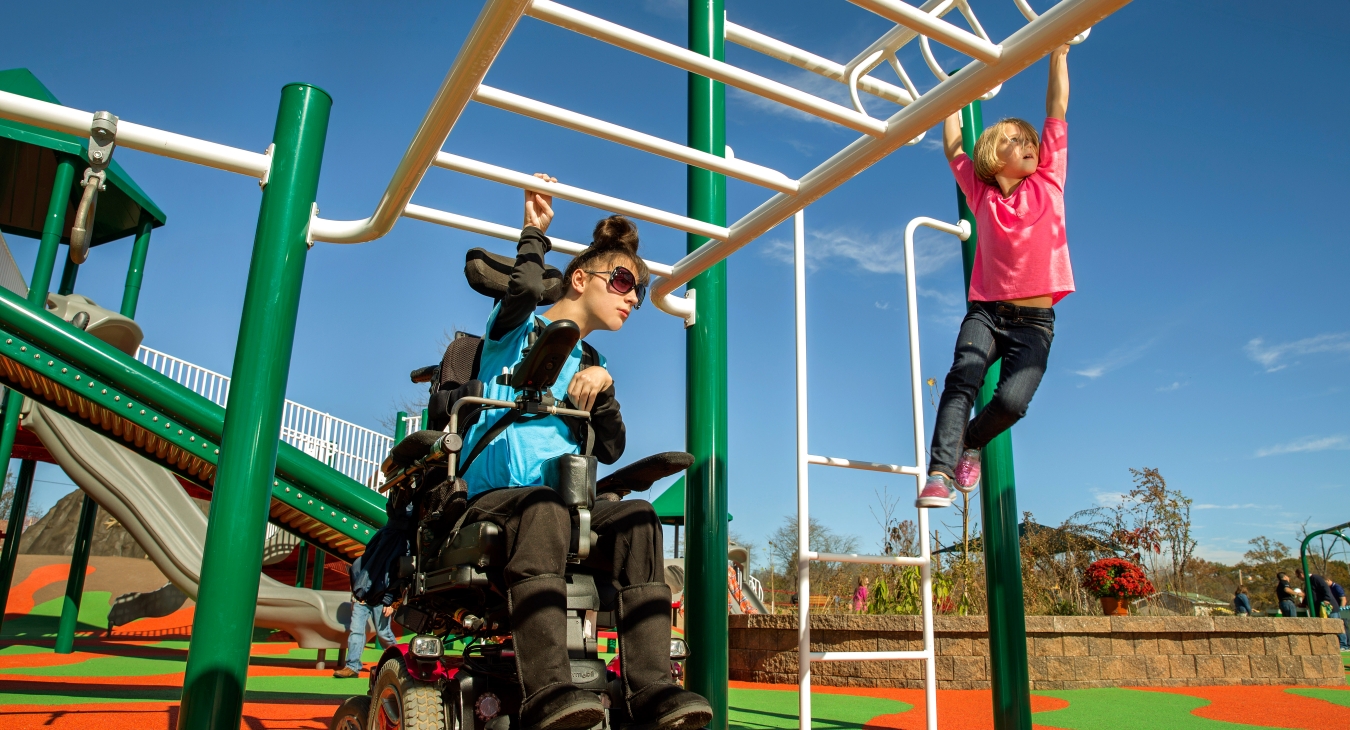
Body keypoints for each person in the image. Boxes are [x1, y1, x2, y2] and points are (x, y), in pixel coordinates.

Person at [455, 176, 711, 730]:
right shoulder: (518, 329)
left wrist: (606, 384)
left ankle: (652, 692)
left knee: (640, 518)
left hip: (563, 507)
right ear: (580, 277)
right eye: (623, 281)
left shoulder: (591, 357)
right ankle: (549, 691)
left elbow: (613, 445)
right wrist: (534, 232)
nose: (632, 297)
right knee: (542, 508)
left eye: (638, 292)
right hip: (498, 499)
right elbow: (523, 286)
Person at [918, 45, 1074, 508]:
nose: (1026, 144)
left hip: (1035, 323)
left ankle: (972, 442)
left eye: (1029, 140)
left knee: (1011, 403)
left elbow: (1057, 107)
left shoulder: (1049, 180)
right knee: (961, 378)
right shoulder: (981, 195)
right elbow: (953, 149)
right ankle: (939, 474)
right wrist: (950, 98)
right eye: (1011, 140)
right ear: (990, 156)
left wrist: (1058, 52)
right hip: (986, 312)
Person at [334, 500, 413, 678]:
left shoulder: (402, 544)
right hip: (365, 595)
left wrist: (390, 601)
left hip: (383, 596)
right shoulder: (382, 538)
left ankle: (403, 662)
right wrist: (357, 591)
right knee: (356, 630)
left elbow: (398, 574)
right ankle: (352, 666)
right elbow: (360, 565)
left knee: (384, 633)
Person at [1328, 580, 1348, 650]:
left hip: (1343, 609)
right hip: (1338, 609)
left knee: (1345, 626)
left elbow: (1343, 599)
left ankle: (1346, 645)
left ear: (1328, 580)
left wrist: (1341, 610)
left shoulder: (1336, 587)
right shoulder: (1330, 588)